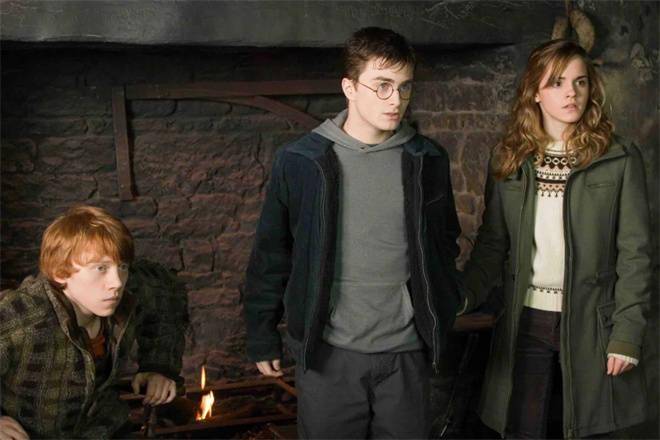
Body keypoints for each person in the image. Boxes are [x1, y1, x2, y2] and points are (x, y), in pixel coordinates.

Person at [244, 27, 463, 439]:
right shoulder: (301, 160)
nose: (395, 100)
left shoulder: (427, 159)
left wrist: (444, 307)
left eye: (404, 87)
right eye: (382, 86)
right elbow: (272, 253)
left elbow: (444, 242)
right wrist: (261, 335)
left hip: (407, 354)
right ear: (350, 87)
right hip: (329, 355)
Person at [462, 39, 652, 438]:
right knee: (522, 429)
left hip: (593, 322)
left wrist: (627, 334)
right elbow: (492, 244)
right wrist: (460, 297)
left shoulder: (619, 157)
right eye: (558, 82)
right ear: (535, 91)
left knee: (589, 430)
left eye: (580, 82)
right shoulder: (509, 159)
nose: (572, 93)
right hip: (525, 319)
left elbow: (635, 254)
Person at [0, 205, 188, 439]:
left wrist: (158, 367)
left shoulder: (130, 289)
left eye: (122, 267)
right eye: (100, 268)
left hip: (104, 428)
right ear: (61, 272)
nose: (116, 282)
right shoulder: (21, 317)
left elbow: (166, 292)